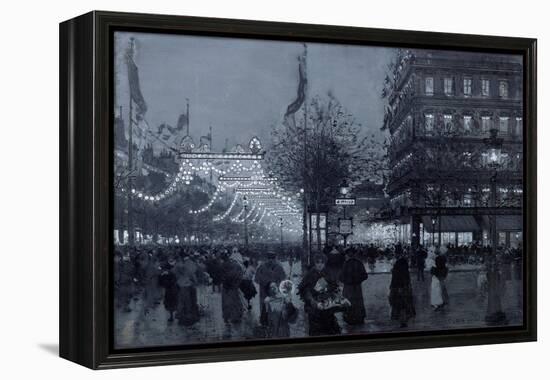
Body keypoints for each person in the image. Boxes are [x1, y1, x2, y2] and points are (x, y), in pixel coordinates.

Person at [298, 254, 342, 336]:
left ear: (325, 263)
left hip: (327, 304)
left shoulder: (328, 273)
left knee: (329, 326)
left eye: (322, 262)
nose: (320, 264)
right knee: (316, 328)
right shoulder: (310, 274)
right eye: (317, 262)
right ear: (315, 263)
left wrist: (327, 289)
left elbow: (334, 285)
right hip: (314, 305)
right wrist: (312, 301)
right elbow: (304, 290)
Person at [254, 251, 286, 326]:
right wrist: (267, 283)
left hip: (274, 293)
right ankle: (265, 323)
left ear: (275, 259)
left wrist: (276, 285)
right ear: (266, 258)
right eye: (269, 258)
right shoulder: (261, 267)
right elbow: (256, 279)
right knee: (264, 309)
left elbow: (283, 280)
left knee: (273, 310)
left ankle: (271, 323)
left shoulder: (279, 268)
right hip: (264, 293)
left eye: (272, 258)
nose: (271, 260)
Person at [340, 249, 369, 325]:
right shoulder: (359, 263)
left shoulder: (346, 263)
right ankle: (359, 318)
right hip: (357, 287)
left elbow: (341, 276)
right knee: (358, 302)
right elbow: (365, 275)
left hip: (348, 287)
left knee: (349, 302)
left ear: (348, 255)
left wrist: (346, 281)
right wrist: (358, 280)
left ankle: (350, 318)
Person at [389, 256, 415, 328]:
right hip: (405, 290)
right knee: (405, 306)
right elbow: (408, 281)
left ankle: (402, 320)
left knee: (398, 306)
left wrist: (392, 289)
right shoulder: (406, 271)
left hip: (396, 290)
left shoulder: (395, 271)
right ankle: (404, 320)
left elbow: (393, 281)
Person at [175, 253, 200, 326]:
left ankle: (181, 318)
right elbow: (193, 275)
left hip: (180, 285)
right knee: (189, 302)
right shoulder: (189, 265)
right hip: (188, 286)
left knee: (181, 302)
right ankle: (188, 318)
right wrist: (195, 282)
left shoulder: (178, 265)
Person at [221, 252, 246, 324]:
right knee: (235, 301)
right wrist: (237, 284)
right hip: (233, 287)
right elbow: (240, 275)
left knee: (226, 303)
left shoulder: (223, 265)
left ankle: (226, 317)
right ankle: (236, 317)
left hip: (226, 287)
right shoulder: (236, 265)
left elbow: (221, 277)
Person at [158, 257, 179, 322]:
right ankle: (174, 315)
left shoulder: (165, 274)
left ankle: (172, 316)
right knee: (174, 302)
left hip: (169, 290)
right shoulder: (172, 273)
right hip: (173, 289)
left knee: (170, 303)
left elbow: (160, 283)